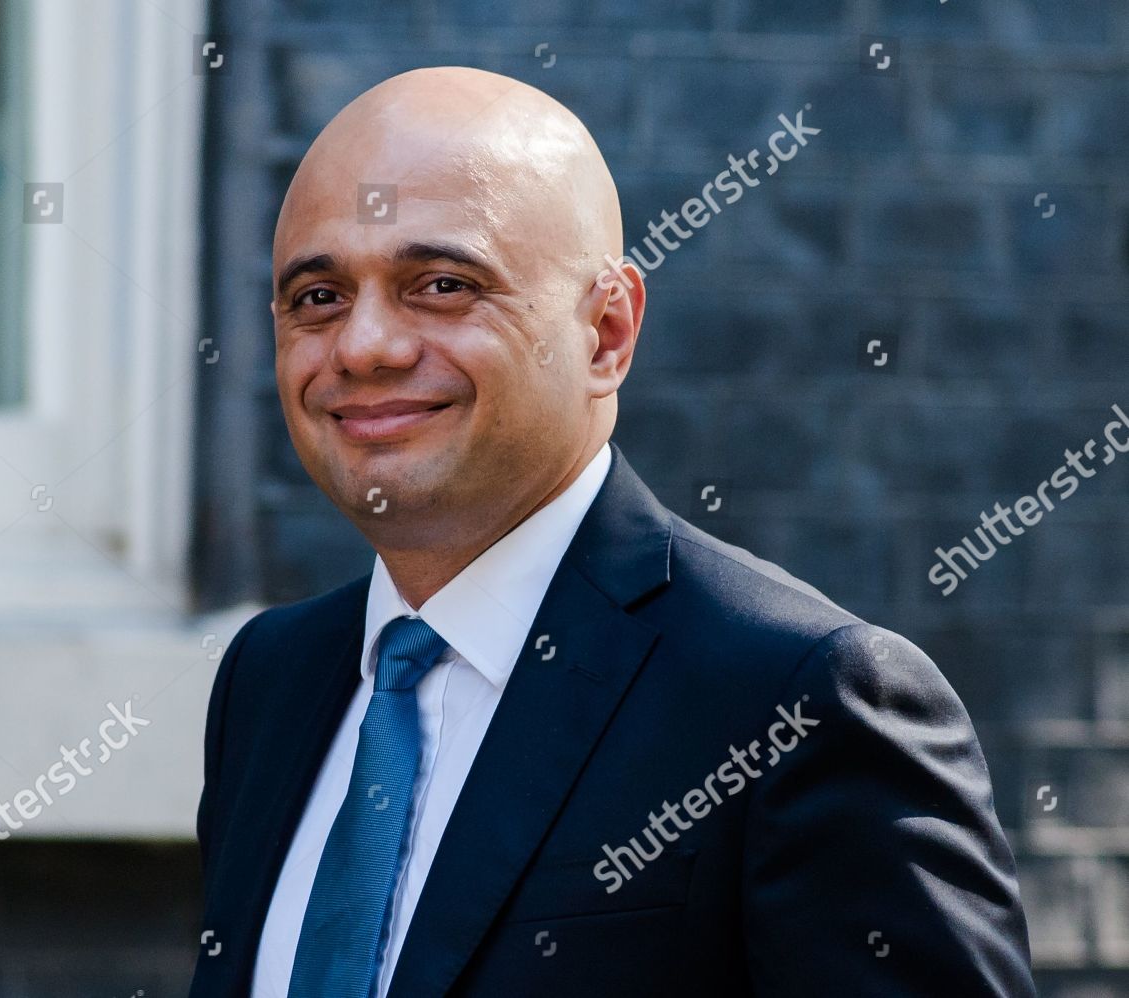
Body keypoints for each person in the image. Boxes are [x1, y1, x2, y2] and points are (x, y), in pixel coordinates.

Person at [190, 66, 1034, 997]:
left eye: (439, 283)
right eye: (318, 297)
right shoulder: (270, 682)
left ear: (606, 334)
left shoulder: (799, 700)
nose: (364, 346)